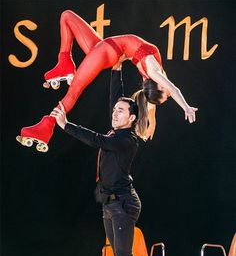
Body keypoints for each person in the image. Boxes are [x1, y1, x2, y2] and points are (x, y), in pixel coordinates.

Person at [16, 10, 197, 152]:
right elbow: (160, 100)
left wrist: (185, 107)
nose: (168, 88)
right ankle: (64, 61)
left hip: (107, 53)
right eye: (166, 93)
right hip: (105, 46)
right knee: (67, 16)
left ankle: (46, 126)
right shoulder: (153, 76)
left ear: (158, 86)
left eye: (165, 91)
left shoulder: (154, 72)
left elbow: (171, 91)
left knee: (75, 89)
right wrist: (153, 124)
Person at [50, 64, 142, 256]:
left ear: (132, 118)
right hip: (109, 204)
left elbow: (95, 139)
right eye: (114, 110)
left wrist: (66, 125)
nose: (115, 113)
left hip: (124, 205)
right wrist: (116, 70)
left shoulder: (127, 140)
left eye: (121, 111)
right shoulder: (117, 131)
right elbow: (117, 97)